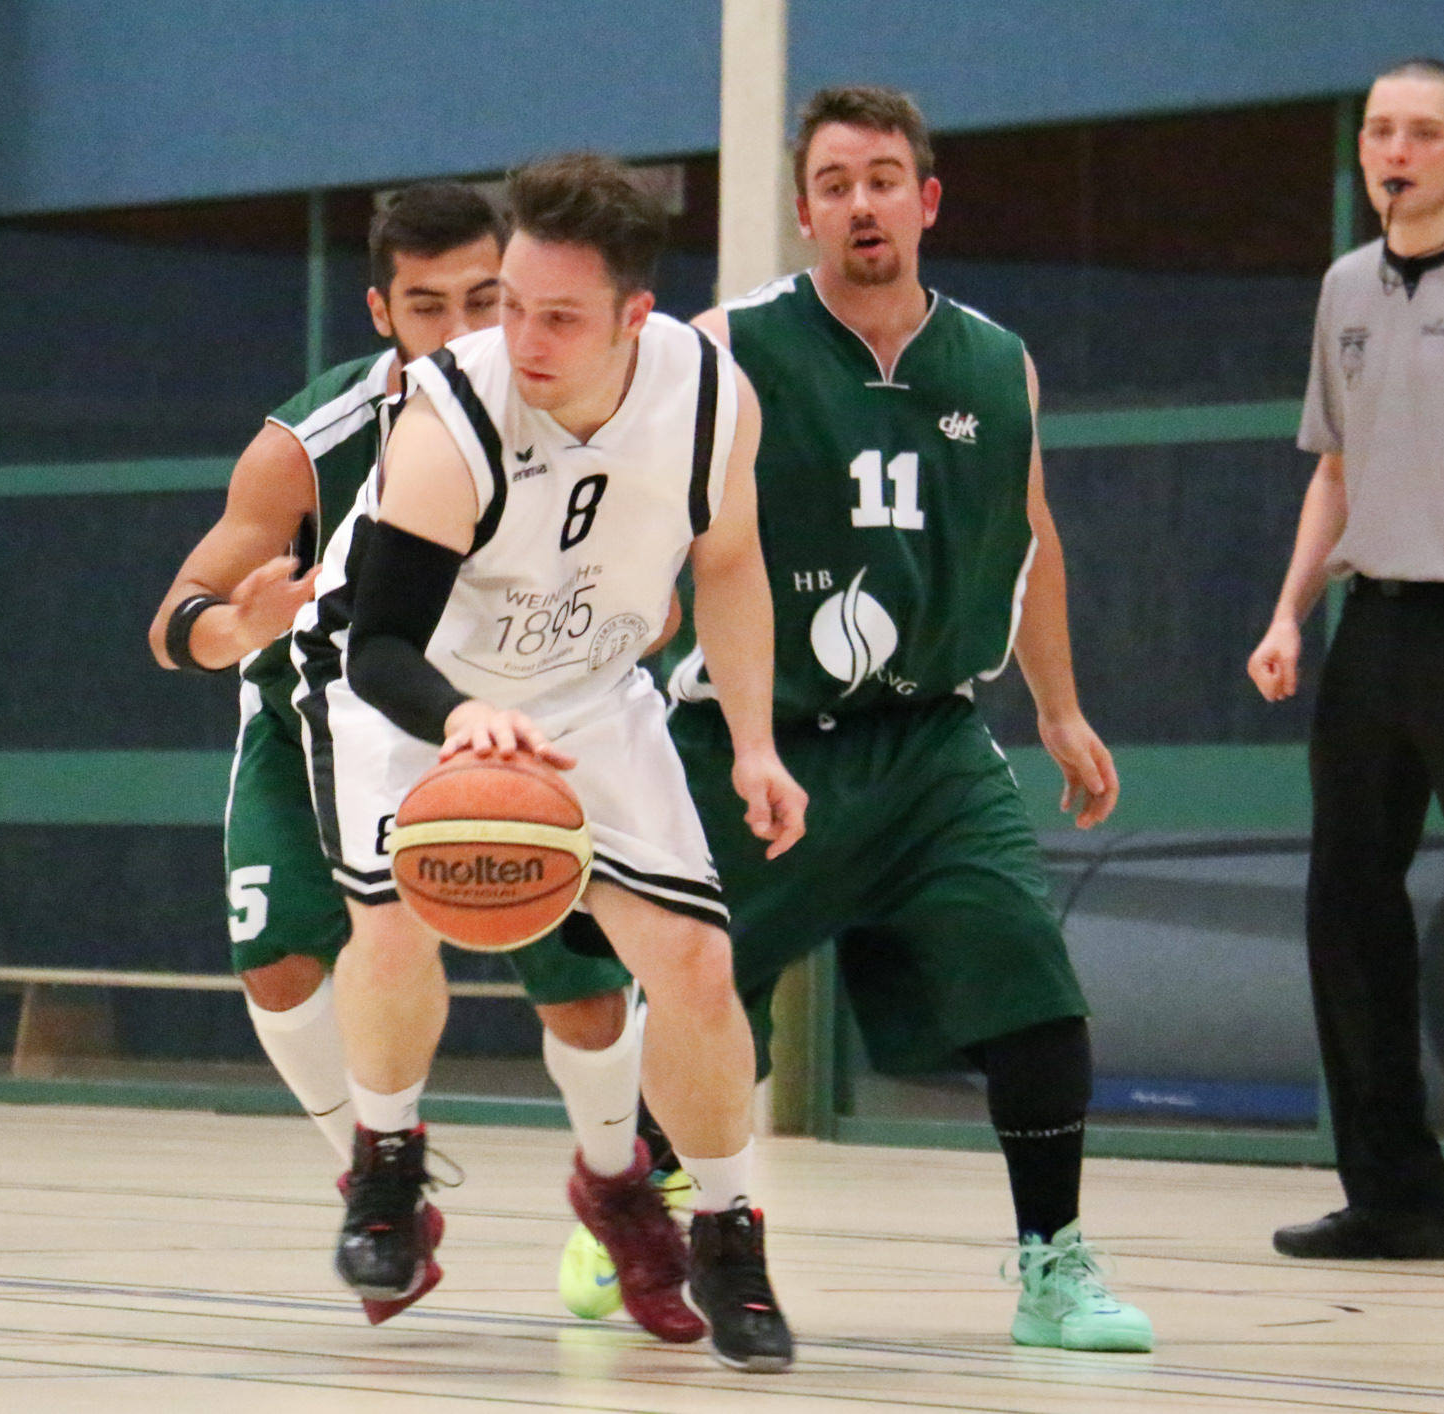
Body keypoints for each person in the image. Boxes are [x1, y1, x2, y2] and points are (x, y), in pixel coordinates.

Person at [568, 85, 1155, 1352]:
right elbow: (636, 495)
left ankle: (1052, 1267)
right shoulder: (728, 345)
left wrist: (1059, 710)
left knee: (1033, 986)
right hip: (752, 739)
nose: (861, 203)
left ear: (926, 199)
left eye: (883, 178)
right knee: (698, 1003)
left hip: (930, 741)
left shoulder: (997, 363)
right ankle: (637, 1209)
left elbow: (1030, 535)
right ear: (806, 213)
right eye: (834, 185)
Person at [292, 153, 808, 1372]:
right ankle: (386, 1161)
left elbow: (730, 562)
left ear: (636, 316)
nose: (520, 336)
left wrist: (754, 741)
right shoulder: (451, 412)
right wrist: (462, 715)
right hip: (411, 693)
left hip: (586, 689)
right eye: (512, 304)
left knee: (695, 961)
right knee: (392, 922)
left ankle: (727, 1231)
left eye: (559, 317)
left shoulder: (711, 397)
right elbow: (379, 645)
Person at [147, 183, 635, 1321]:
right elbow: (176, 618)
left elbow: (656, 584)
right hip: (315, 718)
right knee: (277, 964)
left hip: (514, 720)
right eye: (428, 306)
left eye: (484, 299)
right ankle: (380, 1186)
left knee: (586, 999)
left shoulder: (582, 411)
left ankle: (618, 1188)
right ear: (381, 312)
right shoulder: (306, 447)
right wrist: (236, 627)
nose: (462, 330)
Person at [1247, 57, 1444, 1262]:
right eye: (1381, 131)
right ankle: (1394, 1191)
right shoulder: (1345, 288)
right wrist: (1287, 613)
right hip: (1376, 625)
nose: (1398, 151)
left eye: (1424, 132)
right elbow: (1334, 469)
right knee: (1349, 904)